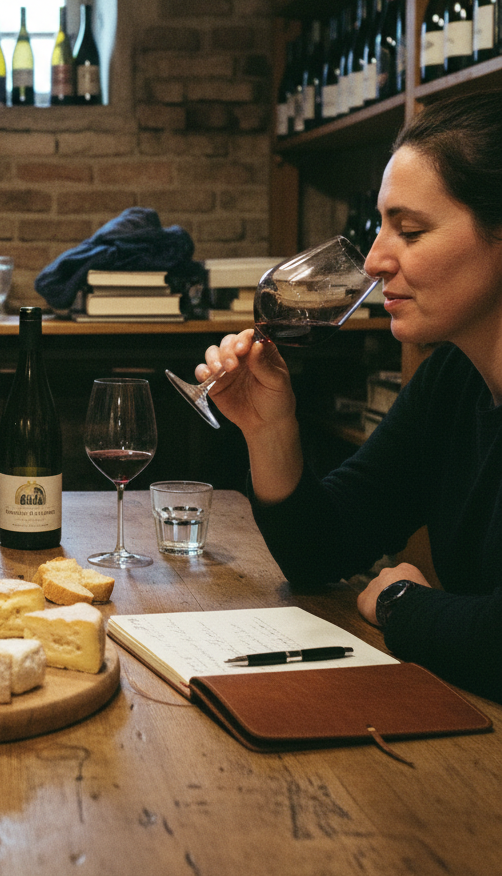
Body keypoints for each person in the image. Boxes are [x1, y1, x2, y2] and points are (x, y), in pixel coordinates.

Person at [193, 91, 502, 703]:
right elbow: (322, 548)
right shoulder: (452, 382)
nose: (377, 260)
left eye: (410, 231)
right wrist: (270, 429)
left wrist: (398, 602)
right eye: (381, 226)